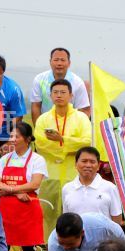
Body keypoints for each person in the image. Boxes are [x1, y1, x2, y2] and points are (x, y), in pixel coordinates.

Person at [0, 122, 47, 251]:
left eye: (17, 136)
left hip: (27, 210)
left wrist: (7, 190)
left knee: (29, 249)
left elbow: (34, 184)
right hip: (6, 210)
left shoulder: (37, 160)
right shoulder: (5, 159)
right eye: (11, 136)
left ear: (28, 139)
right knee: (3, 247)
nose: (12, 139)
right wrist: (17, 192)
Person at [34, 79, 93, 239]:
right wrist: (67, 150)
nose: (59, 95)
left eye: (63, 92)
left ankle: (76, 242)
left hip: (73, 174)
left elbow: (86, 141)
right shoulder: (43, 119)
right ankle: (47, 245)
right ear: (50, 96)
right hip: (49, 174)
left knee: (74, 211)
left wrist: (62, 139)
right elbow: (40, 144)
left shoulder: (81, 118)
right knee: (47, 210)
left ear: (71, 95)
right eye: (55, 92)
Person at [61, 146, 123, 224]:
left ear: (98, 166)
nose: (88, 165)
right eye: (84, 161)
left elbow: (117, 221)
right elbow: (67, 218)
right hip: (76, 232)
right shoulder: (67, 188)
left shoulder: (110, 188)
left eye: (92, 162)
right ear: (76, 164)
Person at [30, 48, 90, 122]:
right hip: (46, 124)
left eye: (62, 60)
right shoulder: (39, 79)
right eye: (56, 60)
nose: (59, 63)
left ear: (69, 63)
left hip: (70, 125)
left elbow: (84, 109)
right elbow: (36, 106)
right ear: (50, 62)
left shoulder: (78, 82)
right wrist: (38, 127)